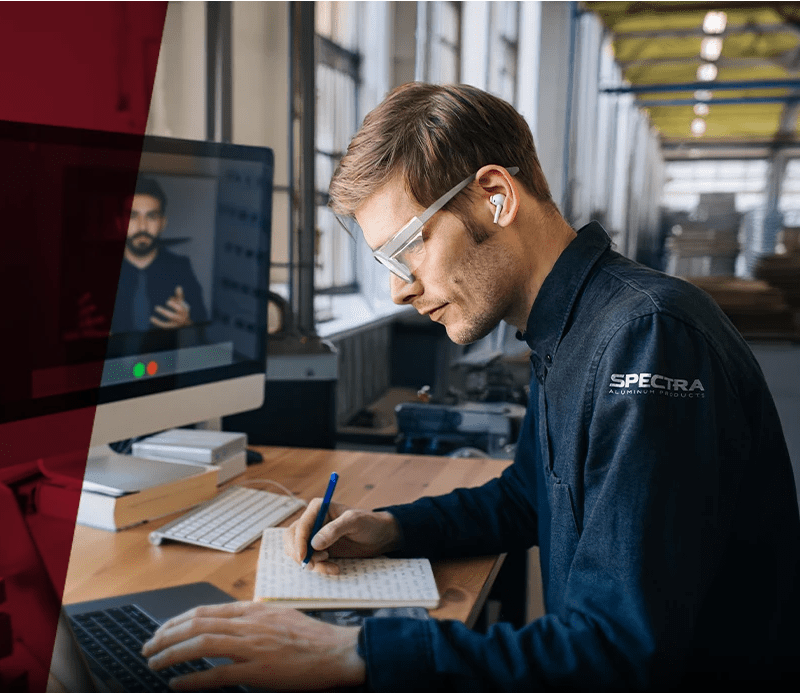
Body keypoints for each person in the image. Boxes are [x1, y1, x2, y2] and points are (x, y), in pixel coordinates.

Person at [140, 83, 800, 691]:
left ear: (495, 195)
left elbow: (620, 650)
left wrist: (355, 650)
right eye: (384, 263)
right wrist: (391, 527)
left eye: (408, 247)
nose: (397, 287)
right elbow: (529, 499)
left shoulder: (644, 337)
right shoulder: (568, 325)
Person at [108, 177, 208, 334]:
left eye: (151, 216)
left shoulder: (181, 268)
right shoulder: (98, 272)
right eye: (133, 216)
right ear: (119, 222)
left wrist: (187, 325)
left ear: (162, 223)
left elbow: (204, 334)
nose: (142, 226)